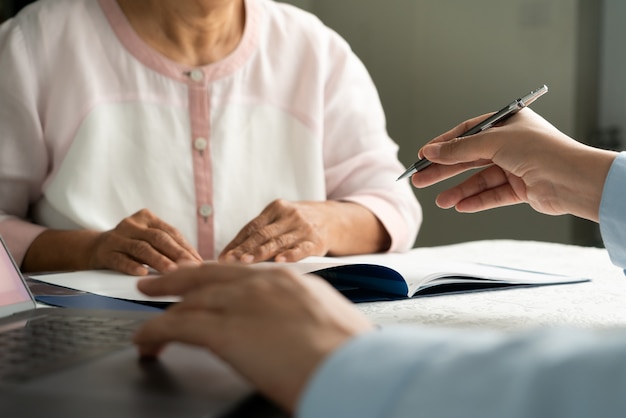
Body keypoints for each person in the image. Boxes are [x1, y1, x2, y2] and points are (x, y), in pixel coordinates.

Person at [133, 108, 626, 417]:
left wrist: (349, 366)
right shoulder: (58, 27)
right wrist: (594, 180)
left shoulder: (314, 44)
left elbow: (391, 203)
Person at [0, 0, 421, 276]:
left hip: (284, 337)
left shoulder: (316, 50)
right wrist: (88, 250)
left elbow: (395, 203)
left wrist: (325, 223)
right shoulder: (36, 43)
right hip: (92, 340)